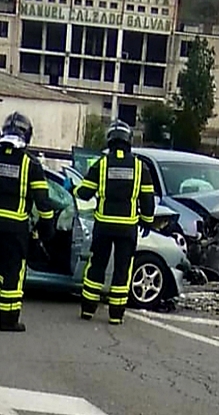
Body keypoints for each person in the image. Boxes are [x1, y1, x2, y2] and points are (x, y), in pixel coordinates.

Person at [0, 112, 55, 332]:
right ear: (26, 135)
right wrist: (47, 228)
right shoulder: (31, 163)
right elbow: (43, 202)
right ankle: (8, 320)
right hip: (15, 225)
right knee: (13, 270)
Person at [74, 120, 155, 324]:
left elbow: (83, 193)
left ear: (110, 141)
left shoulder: (101, 165)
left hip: (103, 226)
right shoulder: (140, 167)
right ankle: (116, 315)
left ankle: (88, 309)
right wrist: (147, 220)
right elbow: (147, 198)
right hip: (127, 228)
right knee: (122, 269)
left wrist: (71, 187)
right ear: (129, 141)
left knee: (96, 265)